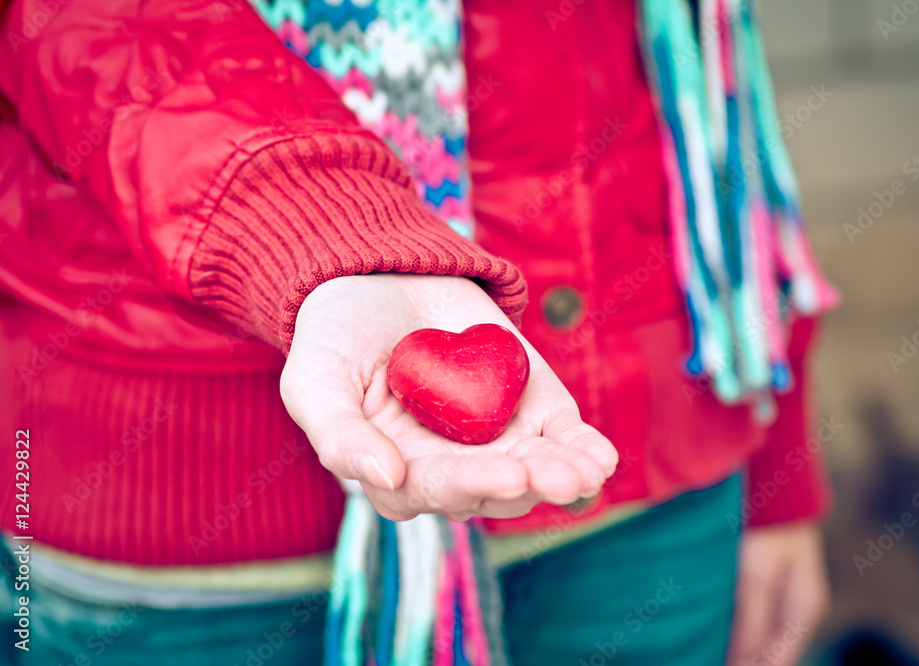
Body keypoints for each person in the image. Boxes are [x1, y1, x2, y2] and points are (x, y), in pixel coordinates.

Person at [0, 0, 837, 664]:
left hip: (657, 487)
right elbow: (88, 25)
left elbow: (714, 101)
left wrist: (780, 470)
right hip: (201, 534)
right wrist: (327, 230)